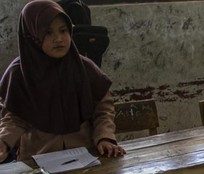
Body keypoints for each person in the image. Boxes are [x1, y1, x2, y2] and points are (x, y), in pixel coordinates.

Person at [0, 0, 124, 163]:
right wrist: (3, 143)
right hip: (37, 159)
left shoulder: (83, 67)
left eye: (63, 30)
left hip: (85, 156)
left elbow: (103, 108)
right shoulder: (20, 73)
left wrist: (104, 138)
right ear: (32, 35)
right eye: (48, 32)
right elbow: (14, 118)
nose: (58, 39)